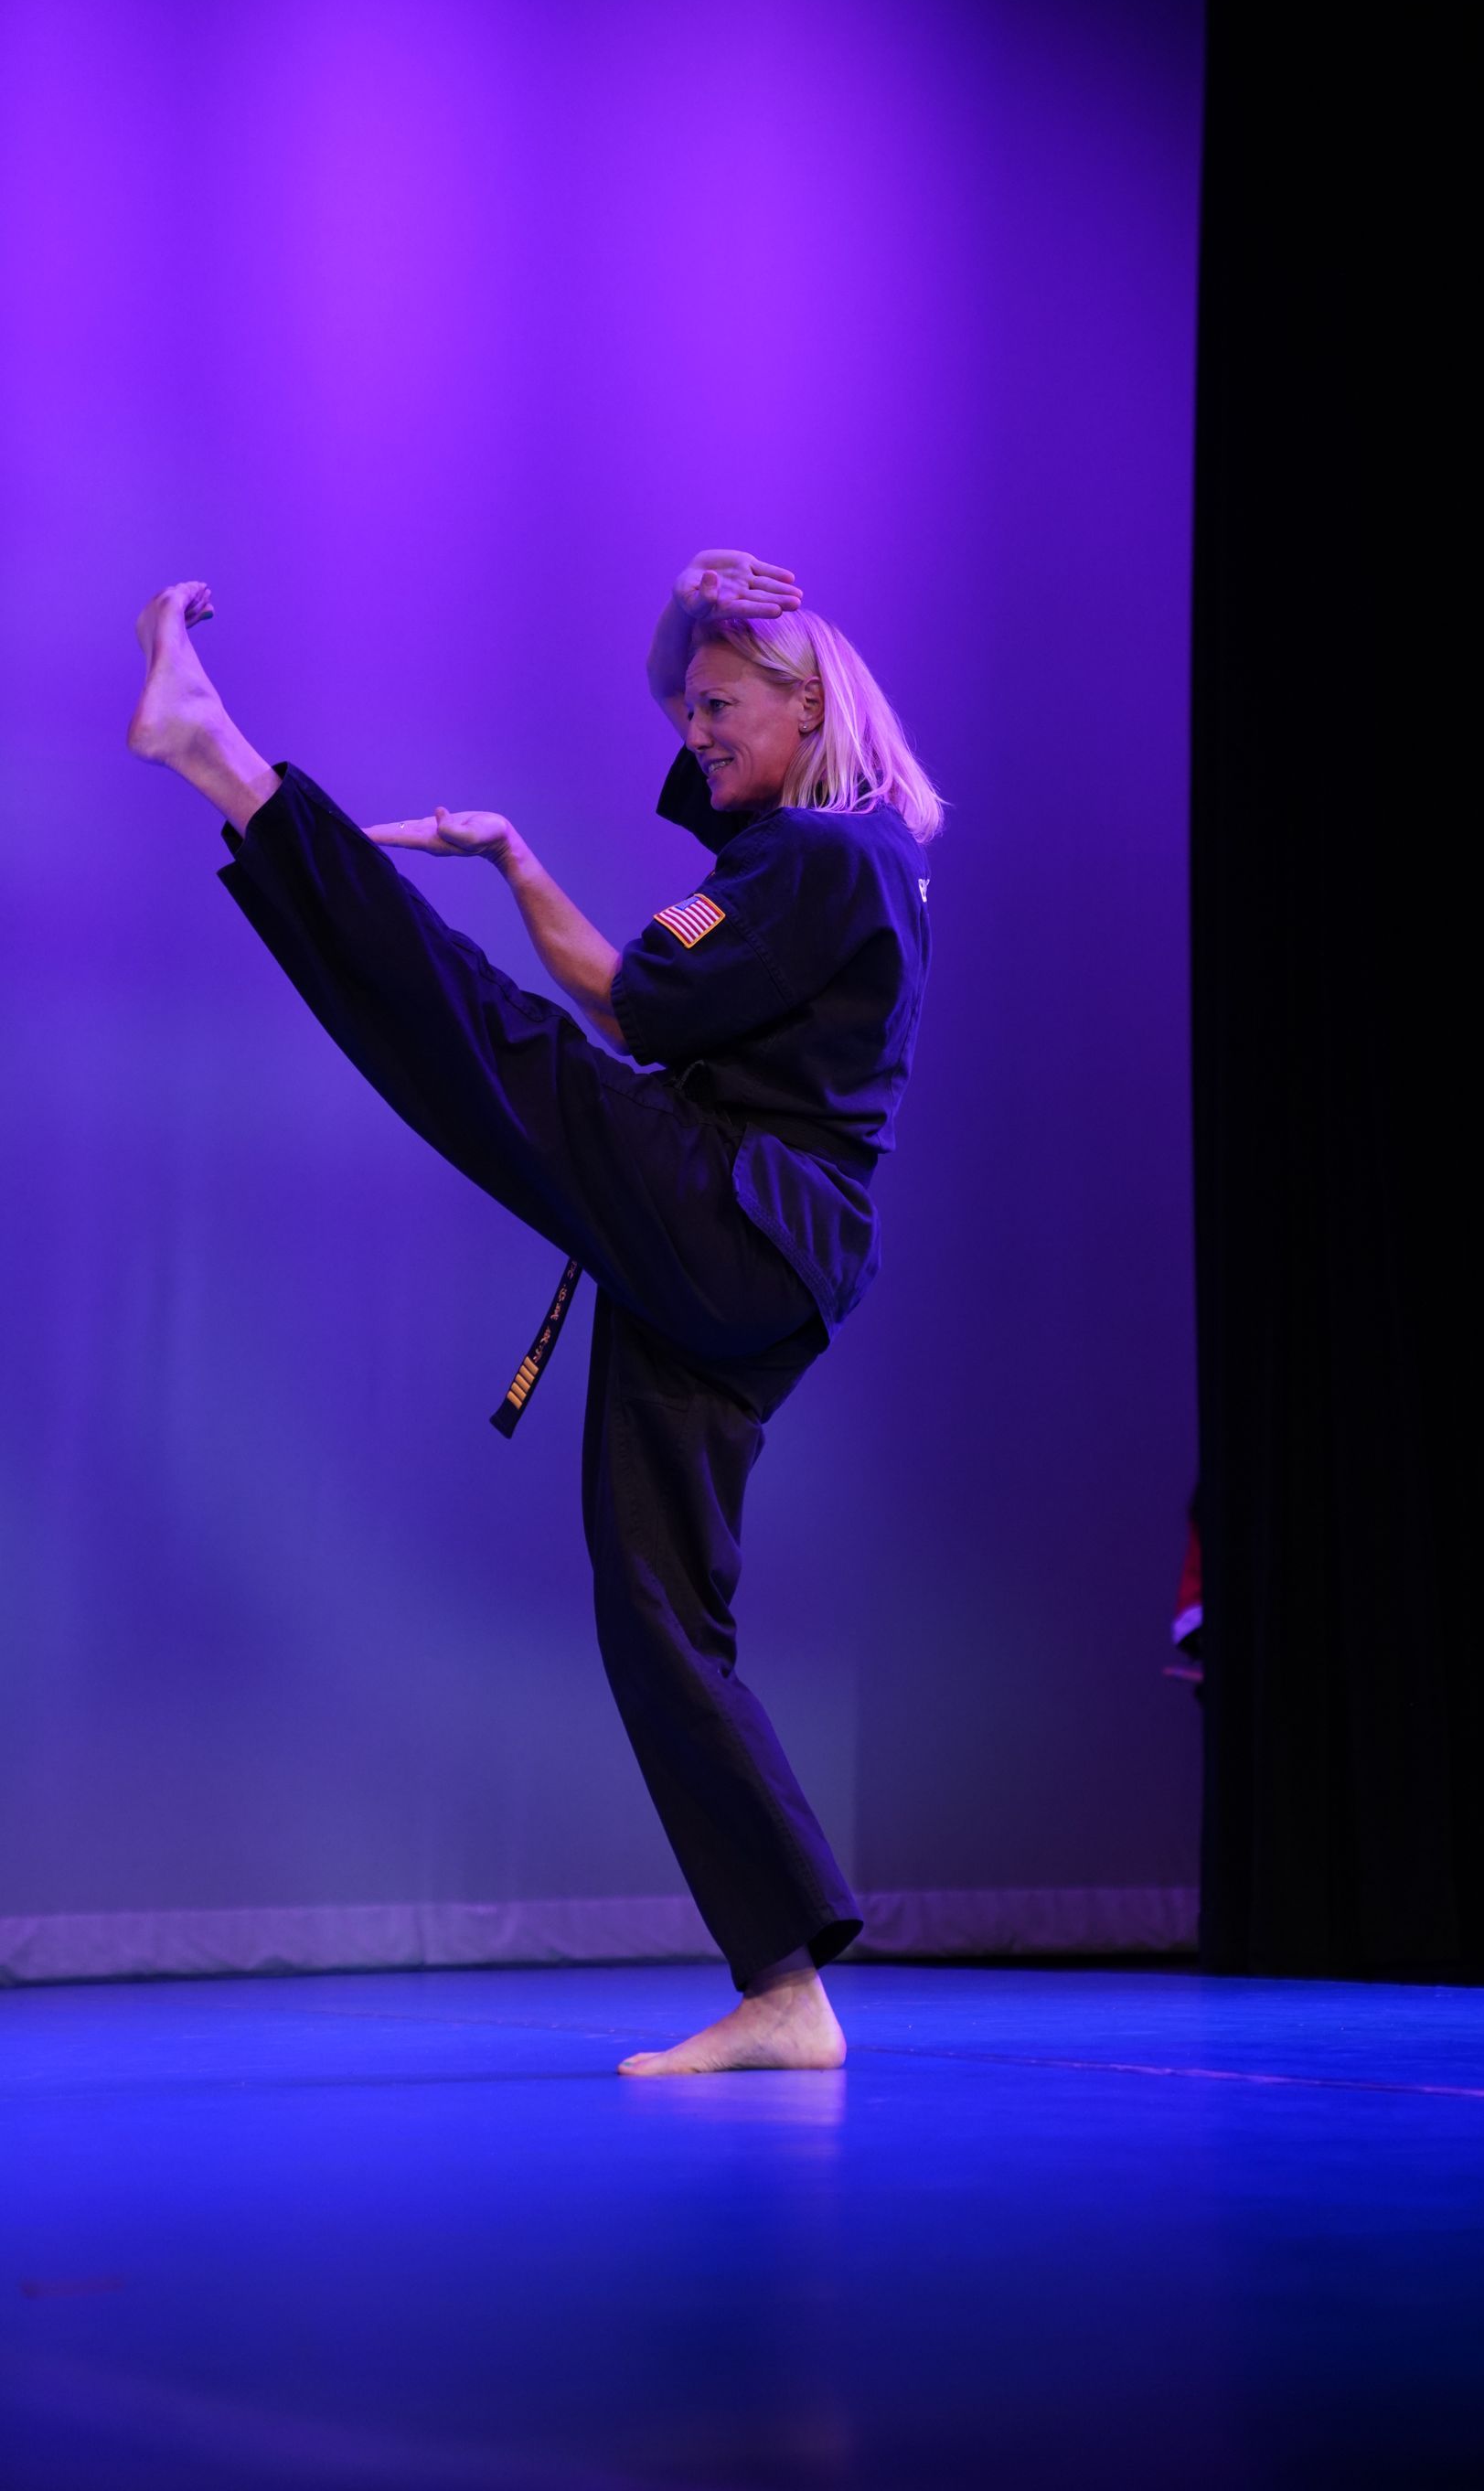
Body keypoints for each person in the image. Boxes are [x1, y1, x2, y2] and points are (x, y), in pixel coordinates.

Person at [124, 551, 942, 2075]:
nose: (690, 734)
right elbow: (629, 984)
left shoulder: (824, 855)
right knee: (654, 1610)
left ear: (805, 695)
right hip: (743, 1263)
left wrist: (516, 878)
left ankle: (222, 760)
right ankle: (787, 1989)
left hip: (739, 1220)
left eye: (716, 706)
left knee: (488, 1046)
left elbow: (619, 1007)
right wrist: (512, 856)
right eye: (685, 708)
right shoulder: (829, 860)